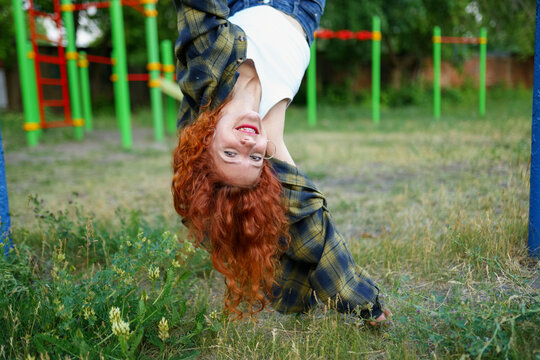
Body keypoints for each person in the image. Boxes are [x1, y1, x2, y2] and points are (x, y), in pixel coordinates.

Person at [172, 0, 391, 325]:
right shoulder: (272, 148)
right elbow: (315, 236)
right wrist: (366, 304)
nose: (249, 144)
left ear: (208, 142)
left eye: (230, 153)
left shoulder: (209, 69)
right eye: (255, 157)